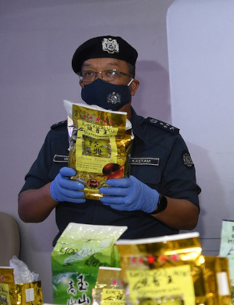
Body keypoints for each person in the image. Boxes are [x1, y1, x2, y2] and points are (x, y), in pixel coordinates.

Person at [18, 35, 200, 239]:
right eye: (89, 73)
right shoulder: (59, 137)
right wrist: (51, 192)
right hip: (77, 263)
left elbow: (190, 217)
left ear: (132, 86)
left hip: (142, 262)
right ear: (82, 84)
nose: (99, 81)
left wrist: (151, 201)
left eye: (111, 73)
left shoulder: (164, 140)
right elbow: (26, 212)